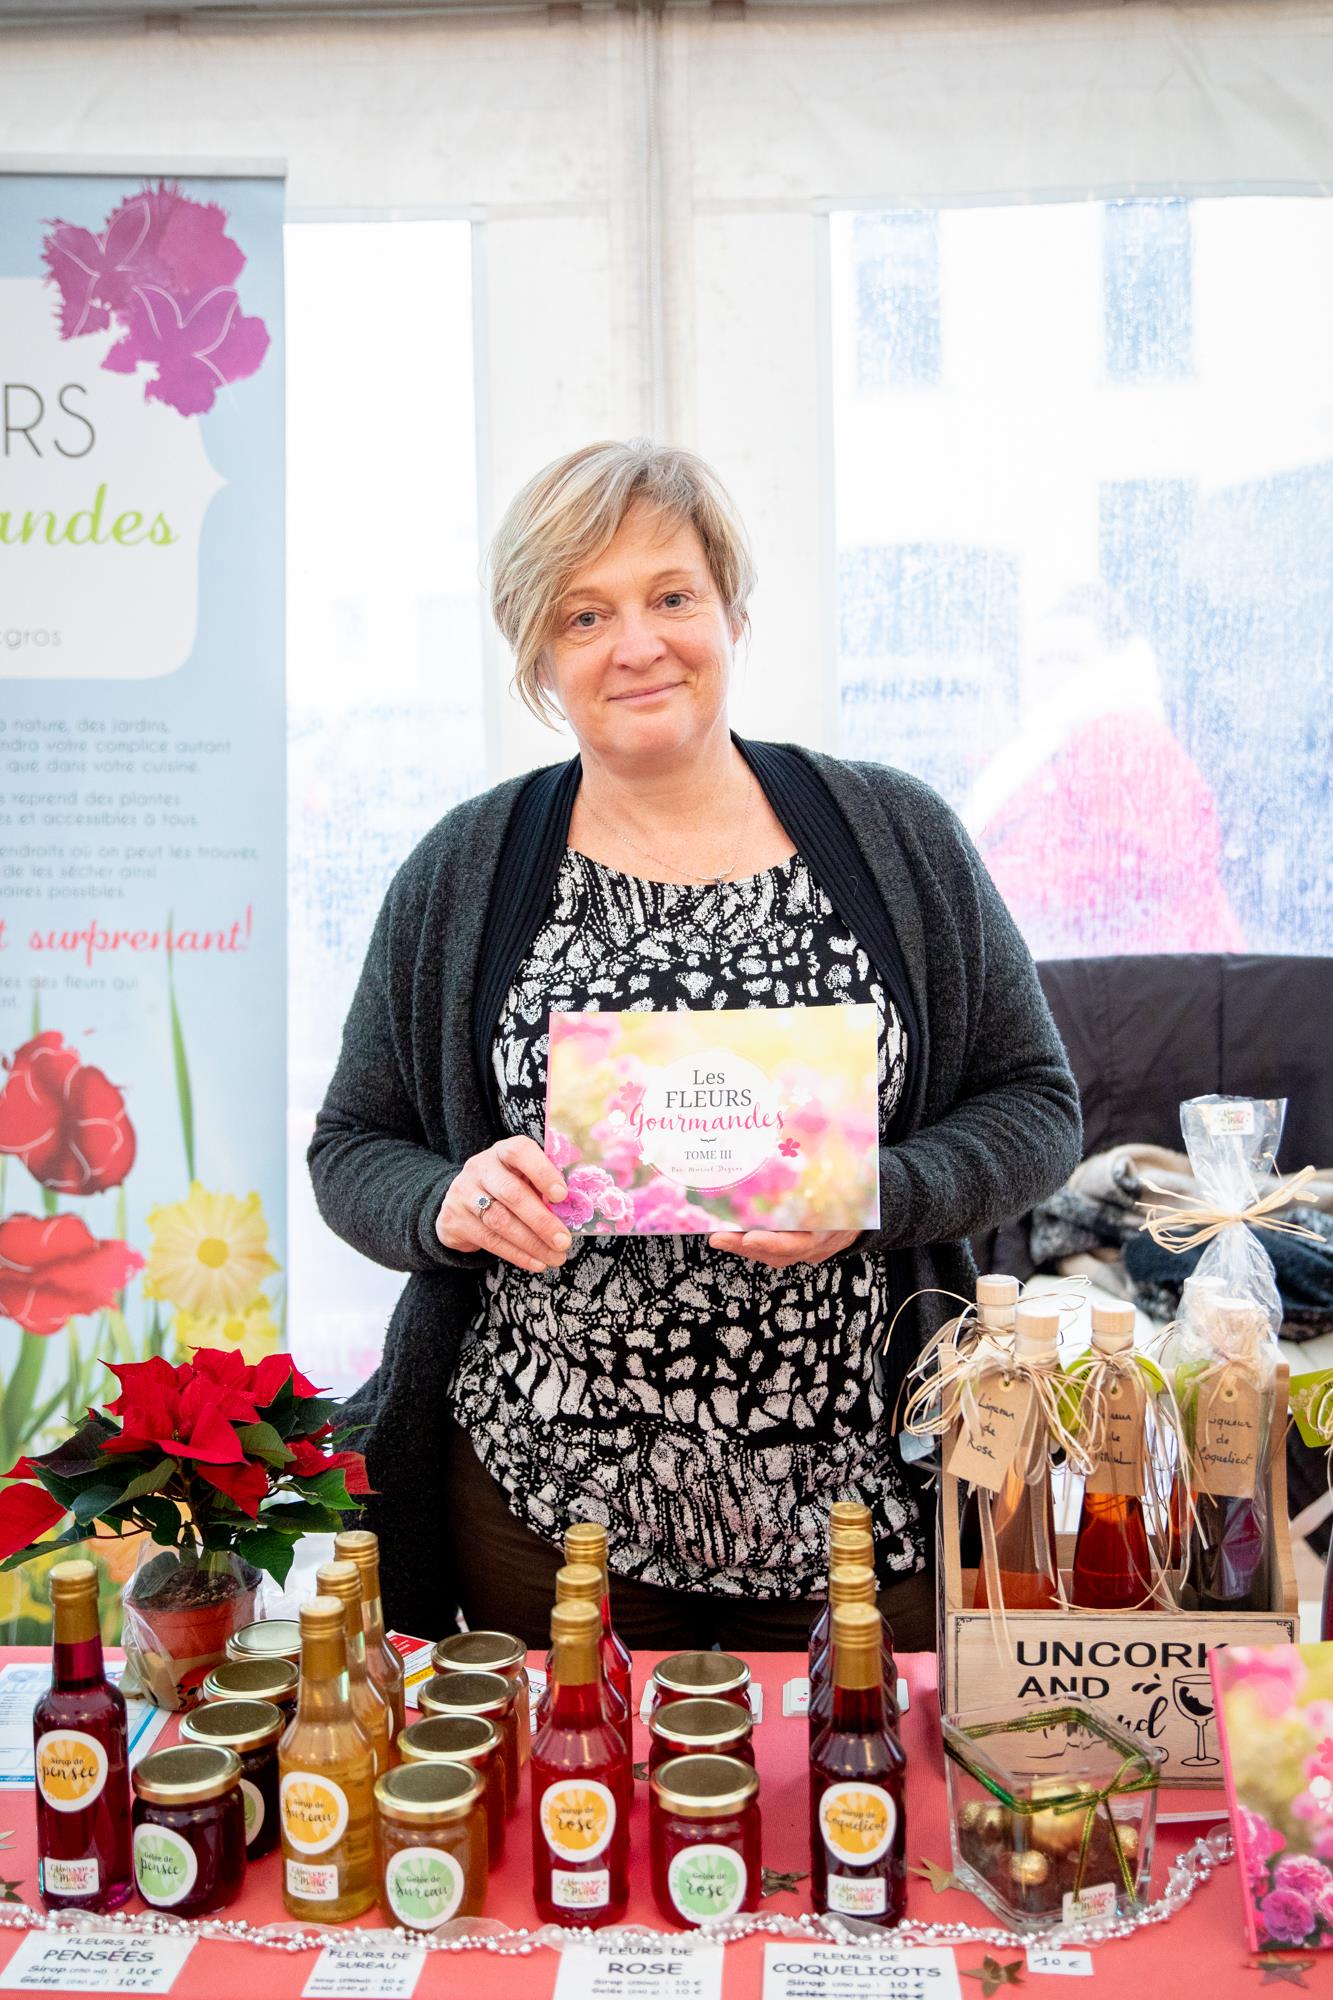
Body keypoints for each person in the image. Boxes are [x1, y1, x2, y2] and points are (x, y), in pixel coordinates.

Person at [309, 440, 1082, 1652]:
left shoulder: (894, 835)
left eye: (671, 595)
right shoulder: (466, 868)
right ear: (537, 651)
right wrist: (449, 1199)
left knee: (854, 1771)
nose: (638, 644)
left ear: (730, 610)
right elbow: (353, 1145)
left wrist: (880, 1189)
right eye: (584, 613)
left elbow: (1035, 1104)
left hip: (861, 1511)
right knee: (577, 1776)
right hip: (543, 1511)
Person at [964, 585, 1244, 957]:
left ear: (1112, 661)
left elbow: (1131, 866)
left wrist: (995, 888)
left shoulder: (1123, 737)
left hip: (1162, 968)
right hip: (1131, 967)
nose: (1053, 674)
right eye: (1043, 661)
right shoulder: (1055, 740)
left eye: (1071, 659)